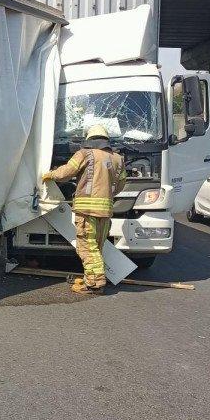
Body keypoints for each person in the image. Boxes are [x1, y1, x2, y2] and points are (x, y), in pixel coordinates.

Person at [41, 124, 126, 295]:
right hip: (106, 211)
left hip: (87, 209)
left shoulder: (84, 154)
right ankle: (91, 278)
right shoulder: (117, 158)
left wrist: (50, 174)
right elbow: (121, 183)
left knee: (87, 246)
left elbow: (66, 172)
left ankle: (95, 284)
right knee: (97, 246)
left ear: (89, 139)